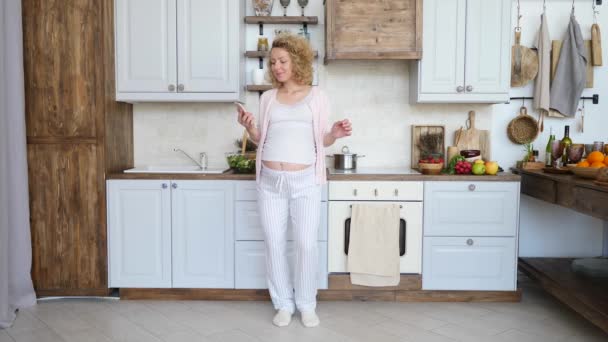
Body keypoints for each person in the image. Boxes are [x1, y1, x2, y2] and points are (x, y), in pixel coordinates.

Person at [236, 33, 351, 328]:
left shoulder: (317, 97)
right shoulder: (267, 98)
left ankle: (307, 303)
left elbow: (321, 139)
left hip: (305, 182)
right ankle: (283, 304)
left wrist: (334, 135)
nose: (276, 67)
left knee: (305, 244)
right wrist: (250, 128)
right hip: (270, 182)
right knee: (274, 244)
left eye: (282, 61)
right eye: (272, 62)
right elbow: (262, 138)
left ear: (296, 61)